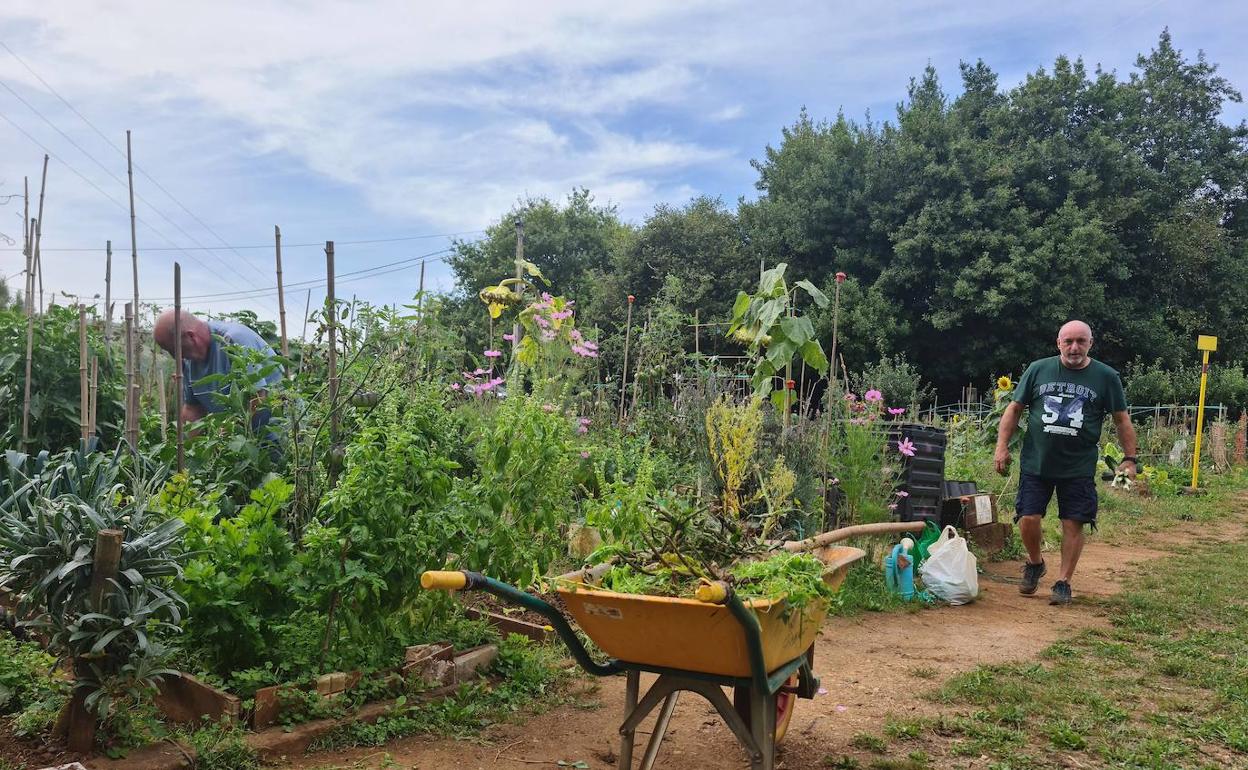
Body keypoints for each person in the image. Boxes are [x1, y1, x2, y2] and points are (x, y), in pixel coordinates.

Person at [994, 320, 1137, 605]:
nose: (1074, 347)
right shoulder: (1038, 369)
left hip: (1078, 466)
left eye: (1081, 341)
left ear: (1090, 344)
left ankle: (1063, 582)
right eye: (1068, 341)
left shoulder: (1106, 376)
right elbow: (1014, 408)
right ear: (1058, 343)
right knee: (1028, 517)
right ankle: (1035, 563)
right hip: (1037, 462)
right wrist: (1001, 447)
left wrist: (1130, 458)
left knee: (1073, 522)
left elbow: (1121, 419)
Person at [153, 310, 284, 429]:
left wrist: (230, 433)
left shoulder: (233, 340)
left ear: (191, 336)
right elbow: (193, 410)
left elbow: (258, 396)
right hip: (241, 439)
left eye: (174, 350)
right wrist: (186, 445)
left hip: (280, 435)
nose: (175, 357)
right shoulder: (188, 361)